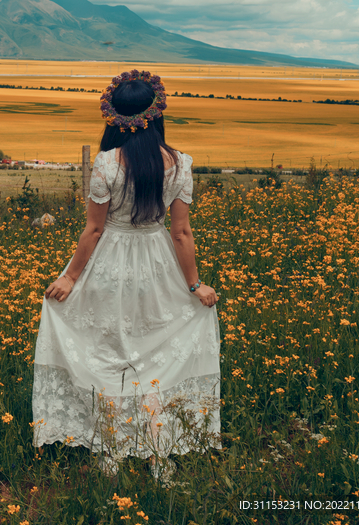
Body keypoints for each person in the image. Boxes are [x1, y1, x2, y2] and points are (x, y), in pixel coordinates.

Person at [31, 69, 221, 481]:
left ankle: (113, 449)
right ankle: (158, 452)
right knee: (153, 353)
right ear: (156, 116)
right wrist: (193, 285)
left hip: (110, 264)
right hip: (157, 264)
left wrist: (70, 278)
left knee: (109, 350)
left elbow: (95, 229)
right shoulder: (179, 164)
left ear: (115, 118)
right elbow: (182, 232)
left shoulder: (106, 164)